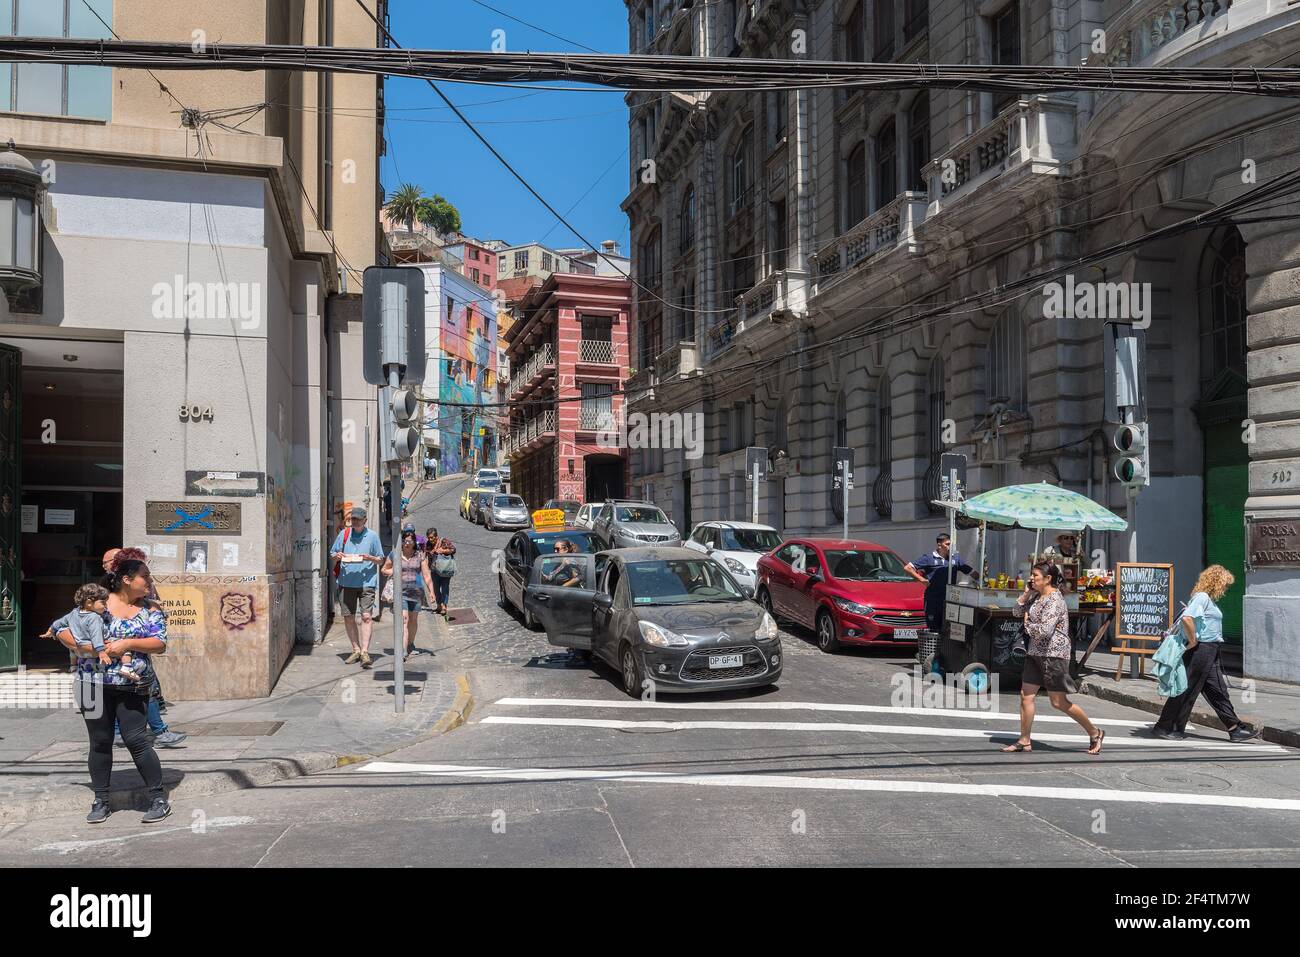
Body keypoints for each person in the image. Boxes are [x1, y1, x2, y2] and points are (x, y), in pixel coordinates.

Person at [55, 554, 172, 824]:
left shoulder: (151, 609)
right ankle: (101, 801)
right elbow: (62, 628)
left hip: (132, 685)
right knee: (99, 742)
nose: (150, 582)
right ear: (127, 579)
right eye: (146, 577)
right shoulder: (98, 602)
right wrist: (84, 648)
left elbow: (160, 643)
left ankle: (157, 798)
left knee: (136, 740)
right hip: (91, 684)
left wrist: (127, 644)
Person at [1001, 562, 1104, 755]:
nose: (1031, 579)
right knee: (1026, 696)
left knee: (1058, 702)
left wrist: (1027, 625)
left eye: (1035, 575)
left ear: (1048, 579)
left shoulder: (1055, 600)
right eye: (1031, 575)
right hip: (1035, 653)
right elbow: (1016, 612)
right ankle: (1024, 740)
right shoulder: (1037, 597)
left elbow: (1045, 631)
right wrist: (1025, 596)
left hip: (1053, 655)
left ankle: (1095, 732)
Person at [1152, 565, 1260, 742]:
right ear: (1216, 582)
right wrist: (1193, 640)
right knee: (1186, 689)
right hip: (1200, 649)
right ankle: (1165, 726)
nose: (1225, 589)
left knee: (1218, 690)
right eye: (1224, 585)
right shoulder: (1202, 597)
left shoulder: (1208, 599)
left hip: (1211, 650)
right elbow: (1187, 618)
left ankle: (1234, 728)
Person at [330, 506, 384, 668]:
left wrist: (370, 558)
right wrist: (337, 556)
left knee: (366, 616)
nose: (354, 522)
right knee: (348, 616)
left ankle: (365, 651)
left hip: (367, 582)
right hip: (346, 583)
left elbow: (381, 560)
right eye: (353, 519)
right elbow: (332, 553)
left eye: (358, 519)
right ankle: (356, 649)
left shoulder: (372, 536)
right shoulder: (344, 534)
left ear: (365, 520)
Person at [905, 534, 977, 634]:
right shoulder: (928, 558)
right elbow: (908, 568)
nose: (950, 547)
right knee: (934, 629)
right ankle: (934, 649)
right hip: (933, 601)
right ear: (939, 545)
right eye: (947, 544)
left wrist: (984, 580)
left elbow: (972, 572)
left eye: (951, 544)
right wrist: (921, 579)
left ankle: (946, 649)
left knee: (949, 630)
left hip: (950, 601)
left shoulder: (955, 558)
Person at [382, 528, 435, 661]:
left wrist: (432, 591)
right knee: (404, 619)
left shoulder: (419, 555)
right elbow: (384, 569)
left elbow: (426, 574)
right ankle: (403, 650)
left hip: (416, 591)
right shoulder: (395, 554)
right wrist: (394, 571)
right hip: (401, 592)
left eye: (409, 541)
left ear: (414, 542)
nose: (407, 544)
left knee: (413, 620)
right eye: (405, 541)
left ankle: (410, 643)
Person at [428, 530, 457, 616]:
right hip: (434, 569)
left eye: (432, 538)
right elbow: (427, 554)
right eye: (429, 538)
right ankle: (439, 606)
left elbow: (453, 549)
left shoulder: (444, 541)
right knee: (436, 588)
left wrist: (443, 551)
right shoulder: (428, 544)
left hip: (445, 569)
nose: (430, 539)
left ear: (436, 537)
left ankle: (444, 606)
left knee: (445, 587)